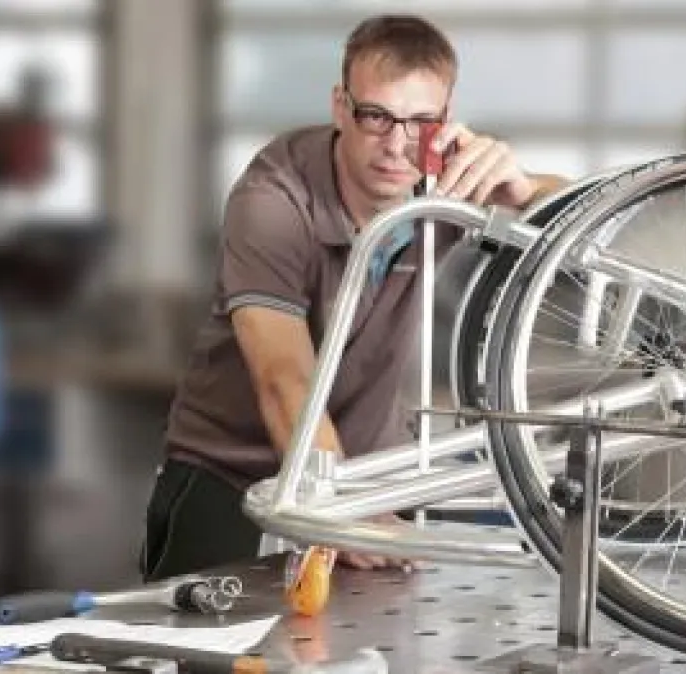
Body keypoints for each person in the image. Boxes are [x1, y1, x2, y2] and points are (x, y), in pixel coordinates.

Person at [139, 14, 568, 582]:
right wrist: (342, 508)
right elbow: (285, 377)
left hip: (366, 476)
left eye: (420, 123)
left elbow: (590, 220)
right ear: (340, 106)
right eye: (376, 116)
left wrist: (527, 190)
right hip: (232, 472)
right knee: (201, 628)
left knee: (370, 631)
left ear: (444, 120)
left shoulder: (445, 180)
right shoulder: (274, 198)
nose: (396, 146)